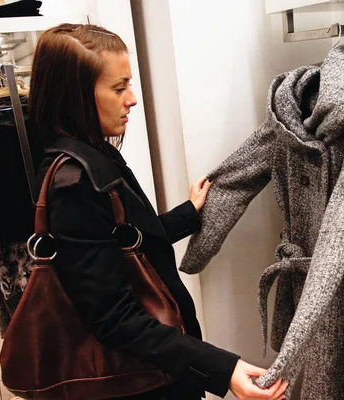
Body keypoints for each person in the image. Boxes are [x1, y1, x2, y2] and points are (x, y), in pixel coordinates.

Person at [29, 24, 288, 400]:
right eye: (119, 88)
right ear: (76, 96)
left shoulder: (95, 153)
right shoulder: (74, 185)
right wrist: (224, 369)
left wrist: (188, 212)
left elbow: (125, 240)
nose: (132, 99)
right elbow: (115, 319)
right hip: (139, 379)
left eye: (129, 84)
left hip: (159, 364)